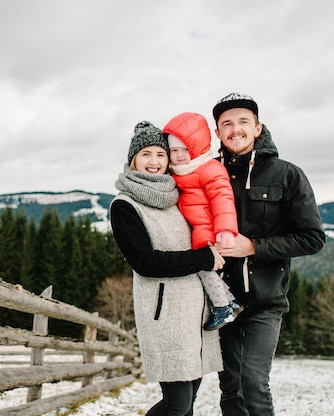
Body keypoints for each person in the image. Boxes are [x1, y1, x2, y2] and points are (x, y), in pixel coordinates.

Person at [210, 92, 326, 416]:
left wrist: (255, 247)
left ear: (258, 128)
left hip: (266, 301)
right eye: (227, 123)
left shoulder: (288, 175)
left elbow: (312, 238)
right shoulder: (209, 175)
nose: (236, 129)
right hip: (222, 301)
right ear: (217, 131)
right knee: (229, 387)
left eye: (243, 122)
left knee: (253, 382)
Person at [110, 120, 224, 416]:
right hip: (164, 317)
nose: (154, 162)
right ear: (133, 158)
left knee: (187, 407)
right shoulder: (125, 205)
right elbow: (145, 262)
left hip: (196, 313)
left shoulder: (178, 196)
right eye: (146, 154)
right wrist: (204, 259)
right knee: (177, 404)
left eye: (161, 155)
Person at [163, 112, 242, 331]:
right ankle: (231, 302)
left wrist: (225, 230)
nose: (179, 156)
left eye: (185, 150)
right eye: (174, 151)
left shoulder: (209, 169)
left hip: (208, 228)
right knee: (206, 268)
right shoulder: (179, 172)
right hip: (196, 227)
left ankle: (222, 307)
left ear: (196, 148)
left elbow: (223, 198)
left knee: (203, 267)